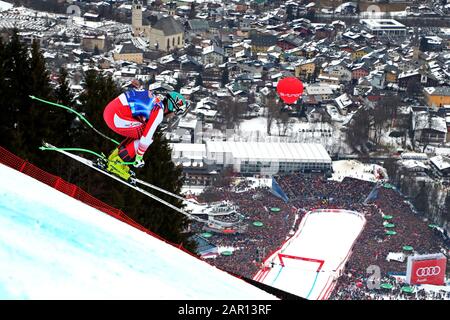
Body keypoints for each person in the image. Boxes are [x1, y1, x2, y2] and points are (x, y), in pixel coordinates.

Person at [103, 81, 188, 179]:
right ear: (171, 107)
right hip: (116, 116)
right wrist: (139, 157)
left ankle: (114, 158)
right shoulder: (158, 111)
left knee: (141, 131)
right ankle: (118, 162)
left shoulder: (156, 100)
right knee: (145, 135)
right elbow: (146, 138)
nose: (173, 116)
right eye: (175, 112)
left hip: (112, 111)